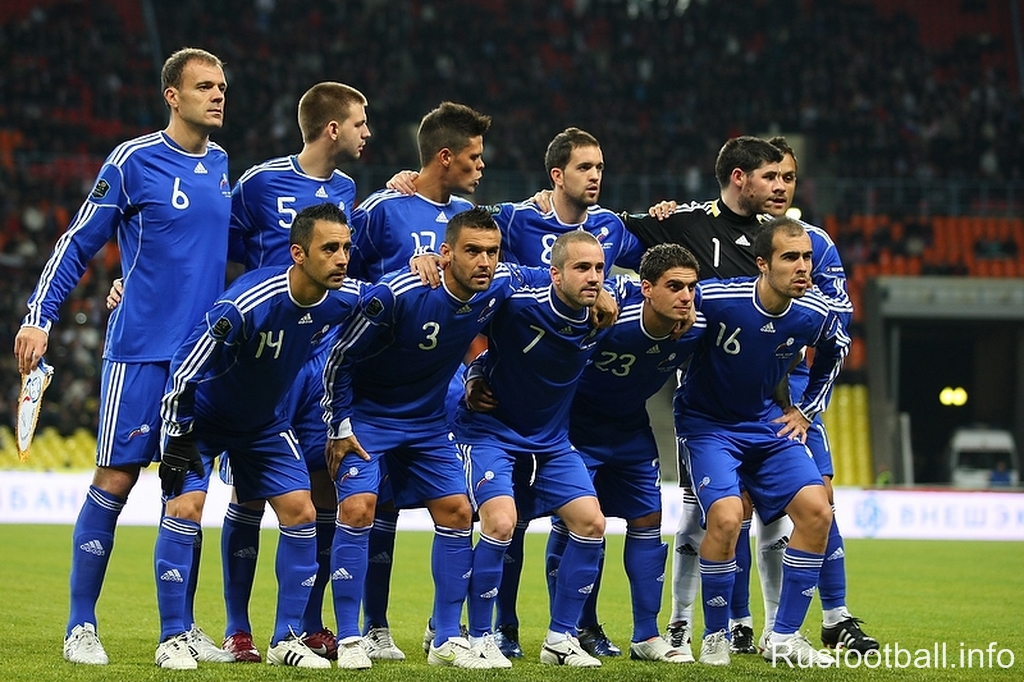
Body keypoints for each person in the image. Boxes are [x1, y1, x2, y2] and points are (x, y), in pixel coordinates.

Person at [13, 47, 232, 666]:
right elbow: (78, 241)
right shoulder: (133, 161)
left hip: (199, 363)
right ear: (172, 96)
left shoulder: (222, 165)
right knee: (114, 480)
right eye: (204, 86)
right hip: (138, 355)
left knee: (188, 496)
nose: (218, 95)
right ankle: (80, 626)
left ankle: (178, 631)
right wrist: (39, 316)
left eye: (221, 86)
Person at [320, 207, 553, 669]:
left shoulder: (499, 283)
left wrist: (605, 291)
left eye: (492, 252)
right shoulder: (398, 293)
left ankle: (446, 638)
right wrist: (339, 426)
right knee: (359, 507)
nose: (484, 262)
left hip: (427, 421)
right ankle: (349, 638)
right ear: (446, 254)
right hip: (369, 417)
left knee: (458, 511)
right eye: (472, 251)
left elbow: (555, 274)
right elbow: (340, 357)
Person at [154, 203, 361, 670]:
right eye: (330, 248)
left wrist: (424, 266)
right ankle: (172, 638)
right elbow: (185, 368)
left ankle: (286, 638)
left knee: (302, 510)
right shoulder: (247, 303)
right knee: (185, 507)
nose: (342, 258)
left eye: (347, 248)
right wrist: (177, 437)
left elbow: (388, 298)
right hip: (203, 420)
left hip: (263, 424)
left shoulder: (342, 297)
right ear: (298, 254)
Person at [217, 81, 371, 664]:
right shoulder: (260, 182)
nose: (366, 132)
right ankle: (238, 629)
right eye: (360, 123)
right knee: (252, 492)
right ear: (333, 128)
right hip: (265, 354)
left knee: (321, 484)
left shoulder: (348, 190)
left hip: (321, 356)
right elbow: (219, 250)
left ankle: (305, 623)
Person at [483, 126, 644, 659]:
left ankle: (579, 628)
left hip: (575, 399)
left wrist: (668, 216)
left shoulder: (611, 226)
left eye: (600, 167)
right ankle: (501, 628)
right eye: (584, 167)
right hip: (515, 390)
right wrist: (409, 184)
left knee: (585, 520)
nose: (596, 176)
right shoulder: (515, 218)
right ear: (557, 174)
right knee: (510, 522)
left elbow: (659, 260)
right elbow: (464, 236)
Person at [341, 101, 491, 661]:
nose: (481, 166)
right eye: (474, 157)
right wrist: (400, 273)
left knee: (450, 507)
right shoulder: (383, 208)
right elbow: (339, 273)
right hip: (374, 387)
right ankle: (371, 627)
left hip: (438, 394)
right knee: (372, 507)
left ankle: (442, 632)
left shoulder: (470, 215)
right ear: (445, 156)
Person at [676, 216, 848, 667]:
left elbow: (837, 348)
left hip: (767, 424)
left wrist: (806, 409)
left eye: (807, 257)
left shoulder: (815, 312)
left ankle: (784, 637)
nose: (803, 267)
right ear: (762, 264)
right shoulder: (718, 298)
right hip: (709, 426)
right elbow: (671, 313)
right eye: (790, 258)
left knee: (818, 511)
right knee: (727, 518)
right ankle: (715, 635)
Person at [455, 231, 616, 668]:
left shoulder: (605, 304)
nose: (594, 277)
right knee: (502, 524)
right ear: (555, 274)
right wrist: (473, 374)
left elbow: (651, 288)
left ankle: (560, 638)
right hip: (490, 432)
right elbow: (458, 324)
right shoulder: (517, 302)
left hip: (551, 442)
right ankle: (480, 636)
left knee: (592, 523)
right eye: (582, 268)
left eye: (599, 268)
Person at [755, 137, 878, 654]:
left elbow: (840, 317)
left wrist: (805, 406)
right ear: (744, 179)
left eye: (789, 176)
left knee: (819, 500)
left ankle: (835, 616)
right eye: (771, 176)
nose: (781, 186)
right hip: (722, 395)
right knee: (726, 513)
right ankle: (733, 623)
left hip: (795, 387)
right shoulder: (718, 236)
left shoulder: (817, 243)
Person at [555, 243, 704, 664]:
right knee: (581, 525)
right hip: (574, 430)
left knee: (647, 521)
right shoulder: (607, 312)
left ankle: (646, 635)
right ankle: (575, 630)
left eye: (691, 288)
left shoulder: (696, 324)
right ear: (646, 289)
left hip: (631, 431)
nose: (686, 297)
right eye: (674, 287)